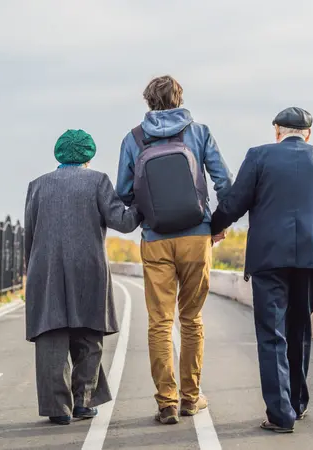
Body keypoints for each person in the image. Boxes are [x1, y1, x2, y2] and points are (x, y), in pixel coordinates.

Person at [210, 107, 313, 433]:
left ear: (277, 131)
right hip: (311, 261)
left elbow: (234, 203)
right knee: (299, 331)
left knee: (272, 336)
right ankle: (297, 404)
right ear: (308, 133)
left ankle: (280, 414)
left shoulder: (259, 156)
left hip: (268, 260)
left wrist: (213, 229)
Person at [116, 75, 233, 424]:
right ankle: (191, 397)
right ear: (179, 98)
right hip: (197, 236)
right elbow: (223, 181)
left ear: (148, 101)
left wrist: (148, 217)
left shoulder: (134, 138)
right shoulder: (199, 132)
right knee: (192, 319)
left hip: (156, 240)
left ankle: (166, 402)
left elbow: (123, 193)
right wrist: (219, 224)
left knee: (159, 322)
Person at [24, 129, 141, 425]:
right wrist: (142, 201)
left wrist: (33, 271)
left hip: (45, 269)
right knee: (89, 335)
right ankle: (83, 403)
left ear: (58, 153)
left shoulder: (36, 186)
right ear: (88, 156)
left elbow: (30, 234)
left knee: (51, 335)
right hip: (88, 269)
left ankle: (56, 409)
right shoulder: (97, 181)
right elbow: (124, 222)